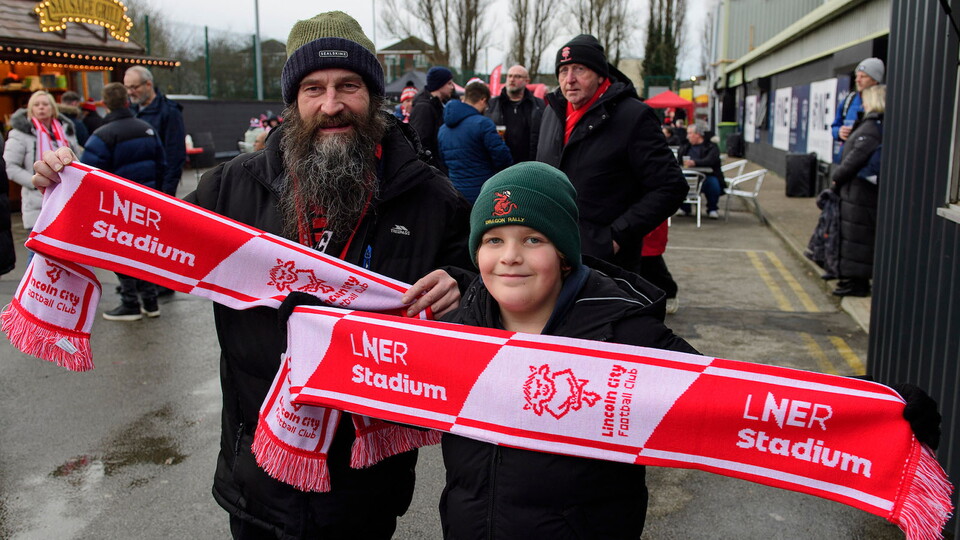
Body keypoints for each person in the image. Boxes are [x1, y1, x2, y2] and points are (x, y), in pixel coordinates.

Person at [34, 11, 472, 538]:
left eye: (348, 86)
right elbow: (149, 242)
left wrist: (459, 280)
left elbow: (486, 283)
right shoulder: (230, 189)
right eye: (313, 88)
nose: (331, 105)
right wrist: (72, 198)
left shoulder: (429, 195)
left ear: (374, 94)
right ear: (292, 101)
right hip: (258, 475)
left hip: (366, 480)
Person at [438, 161, 700, 538]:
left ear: (563, 253)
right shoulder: (459, 330)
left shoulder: (624, 333)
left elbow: (712, 404)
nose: (510, 256)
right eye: (494, 240)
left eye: (533, 239)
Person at [537, 34, 688, 273]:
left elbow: (671, 186)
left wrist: (617, 236)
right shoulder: (552, 112)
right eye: (563, 70)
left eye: (579, 69)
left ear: (600, 74)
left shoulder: (634, 116)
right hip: (552, 254)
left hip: (606, 264)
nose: (570, 79)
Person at [80, 82, 166, 321]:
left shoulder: (101, 136)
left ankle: (130, 302)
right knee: (145, 252)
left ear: (105, 104)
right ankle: (150, 300)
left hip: (116, 206)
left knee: (121, 253)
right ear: (127, 101)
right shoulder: (147, 128)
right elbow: (162, 165)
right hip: (147, 202)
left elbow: (89, 175)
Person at [831, 84, 885, 298]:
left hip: (860, 191)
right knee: (853, 236)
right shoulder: (870, 124)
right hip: (855, 190)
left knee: (857, 237)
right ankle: (852, 279)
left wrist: (836, 178)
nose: (862, 103)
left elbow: (856, 157)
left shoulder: (872, 127)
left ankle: (858, 282)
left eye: (866, 99)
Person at [4, 91, 81, 235]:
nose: (41, 108)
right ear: (30, 109)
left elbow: (77, 157)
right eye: (36, 105)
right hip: (37, 202)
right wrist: (35, 183)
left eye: (45, 104)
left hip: (67, 198)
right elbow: (10, 166)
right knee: (37, 254)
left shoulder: (66, 130)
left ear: (53, 108)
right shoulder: (19, 134)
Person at [438, 81, 513, 203]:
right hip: (482, 192)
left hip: (455, 192)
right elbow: (503, 158)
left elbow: (443, 162)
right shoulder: (483, 124)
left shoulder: (443, 129)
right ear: (483, 99)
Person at [124, 65, 186, 196]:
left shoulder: (169, 112)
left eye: (134, 87)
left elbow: (175, 153)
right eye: (127, 87)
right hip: (132, 185)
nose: (130, 92)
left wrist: (167, 190)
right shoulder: (129, 111)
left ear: (148, 84)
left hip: (157, 187)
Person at [483, 64, 545, 162]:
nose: (512, 79)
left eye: (517, 76)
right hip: (500, 165)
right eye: (510, 76)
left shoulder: (539, 105)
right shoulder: (491, 104)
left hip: (529, 164)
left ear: (527, 81)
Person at [409, 66, 455, 172]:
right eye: (449, 83)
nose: (452, 87)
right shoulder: (424, 107)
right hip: (432, 171)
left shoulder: (437, 105)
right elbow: (419, 141)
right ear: (439, 85)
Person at [831, 57, 883, 147]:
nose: (857, 80)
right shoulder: (849, 100)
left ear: (875, 80)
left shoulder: (881, 103)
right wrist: (839, 132)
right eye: (857, 76)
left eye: (863, 76)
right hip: (848, 156)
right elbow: (835, 125)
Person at [677, 122, 725, 219]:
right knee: (680, 183)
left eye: (690, 133)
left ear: (697, 135)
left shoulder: (711, 146)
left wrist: (695, 162)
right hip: (689, 175)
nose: (688, 136)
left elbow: (711, 160)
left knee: (713, 184)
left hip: (707, 175)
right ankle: (685, 208)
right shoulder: (686, 146)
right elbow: (679, 160)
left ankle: (712, 209)